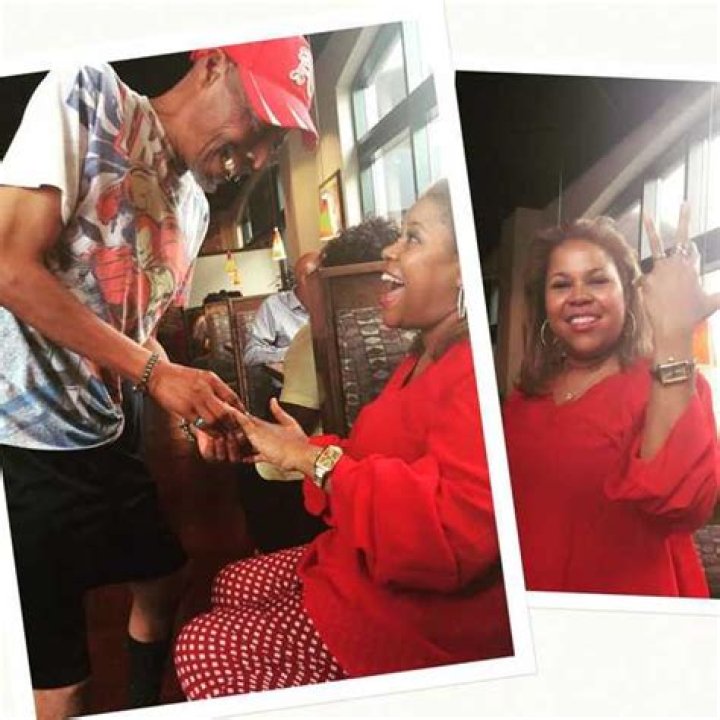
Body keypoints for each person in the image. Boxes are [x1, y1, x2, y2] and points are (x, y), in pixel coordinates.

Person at [0, 36, 317, 719]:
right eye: (261, 123)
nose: (260, 156)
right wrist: (155, 372)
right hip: (24, 438)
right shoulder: (89, 94)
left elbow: (133, 328)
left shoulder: (194, 207)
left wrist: (189, 396)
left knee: (165, 577)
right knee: (62, 679)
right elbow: (8, 266)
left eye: (276, 143)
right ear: (214, 66)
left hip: (108, 427)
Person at [174, 180, 513, 698]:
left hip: (419, 619)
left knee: (199, 647)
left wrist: (311, 462)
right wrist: (295, 448)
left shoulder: (472, 375)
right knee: (229, 582)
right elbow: (379, 457)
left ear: (464, 267)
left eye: (413, 238)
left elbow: (447, 539)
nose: (390, 251)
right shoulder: (421, 355)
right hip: (362, 561)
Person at [503, 206, 720, 597]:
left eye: (598, 280)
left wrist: (674, 334)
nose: (579, 296)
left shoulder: (667, 384)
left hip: (632, 613)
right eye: (561, 285)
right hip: (537, 608)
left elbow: (682, 504)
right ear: (544, 305)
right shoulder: (524, 400)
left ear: (628, 293)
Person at [237, 217, 402, 552]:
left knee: (247, 469)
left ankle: (274, 553)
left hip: (334, 475)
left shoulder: (316, 336)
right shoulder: (423, 337)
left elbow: (295, 424)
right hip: (393, 476)